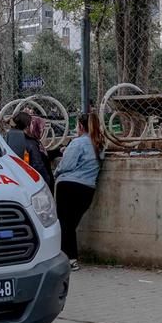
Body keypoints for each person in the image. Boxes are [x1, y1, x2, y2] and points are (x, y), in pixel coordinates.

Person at [55, 113, 105, 271]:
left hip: (69, 185)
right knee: (71, 224)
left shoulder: (78, 142)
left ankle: (68, 258)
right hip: (87, 189)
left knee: (64, 223)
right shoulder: (99, 144)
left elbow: (66, 165)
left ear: (81, 126)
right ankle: (71, 258)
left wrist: (56, 173)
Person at [22, 115, 58, 192]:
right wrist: (47, 181)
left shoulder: (34, 141)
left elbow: (43, 156)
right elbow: (38, 163)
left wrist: (58, 151)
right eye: (41, 129)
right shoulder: (31, 144)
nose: (42, 131)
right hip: (42, 186)